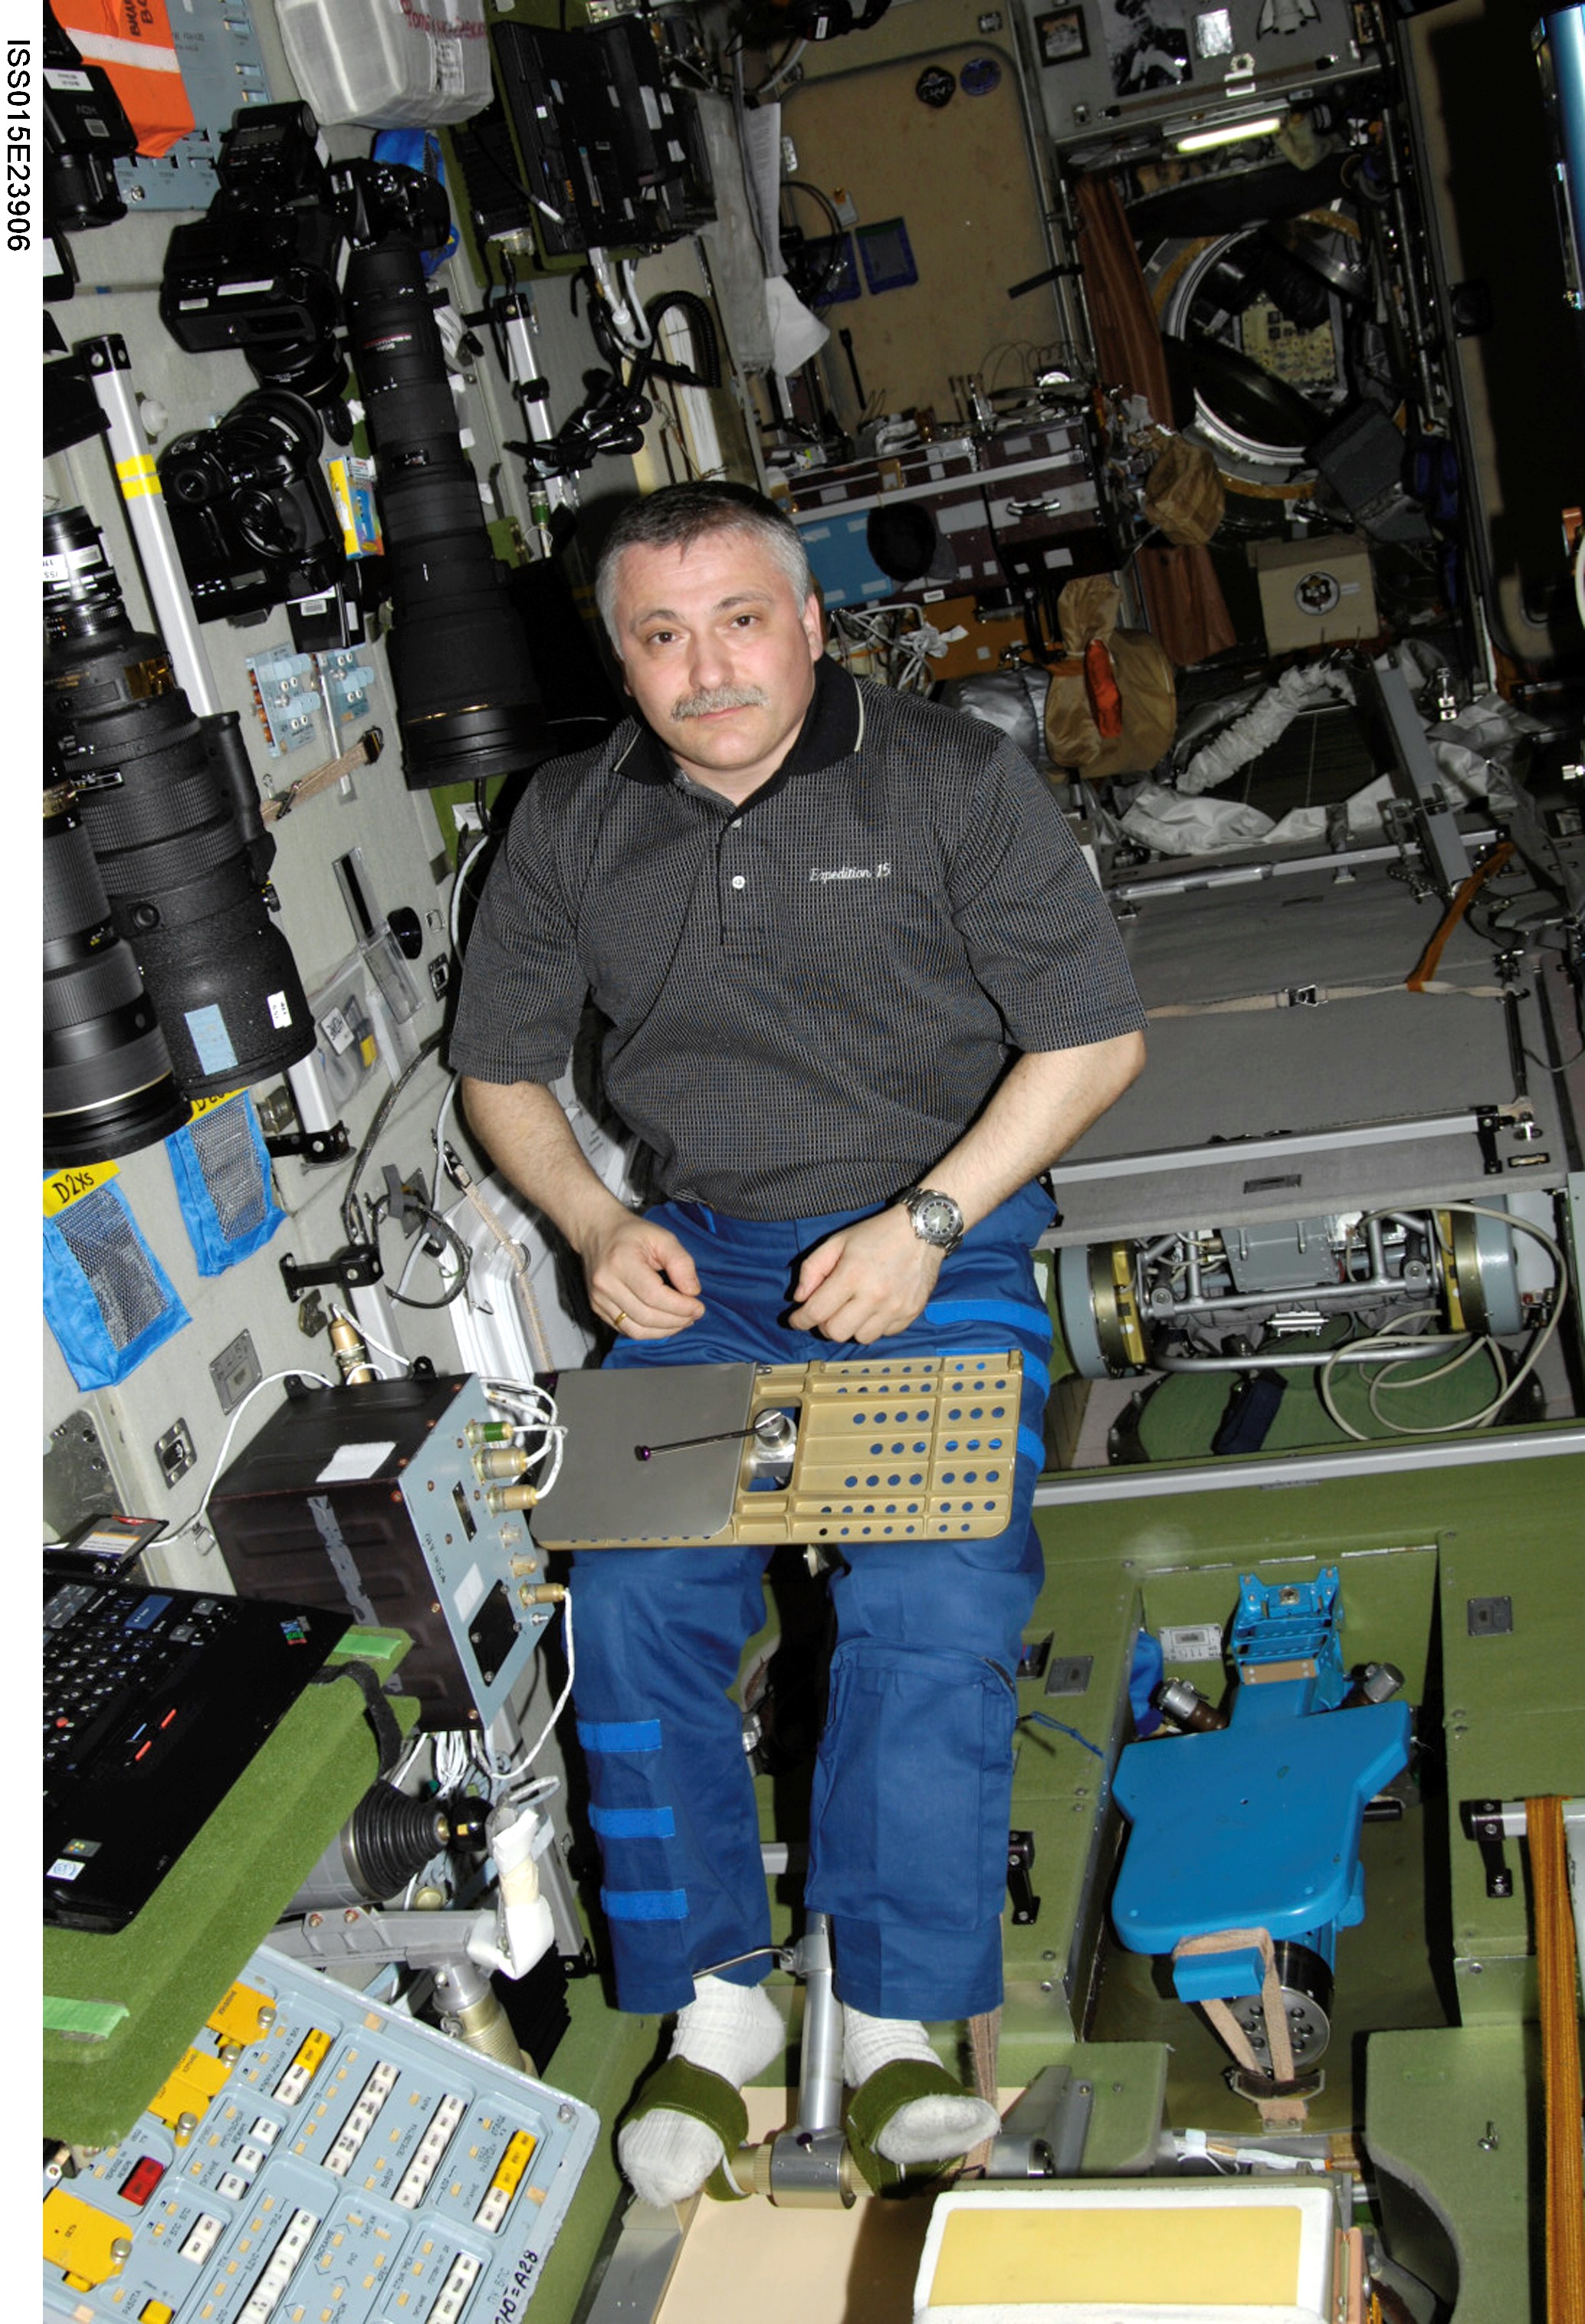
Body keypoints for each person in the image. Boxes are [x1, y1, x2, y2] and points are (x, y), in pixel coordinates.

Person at [448, 481, 1147, 2205]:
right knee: (624, 1596)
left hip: (944, 1238)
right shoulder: (565, 821)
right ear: (615, 654)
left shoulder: (950, 780)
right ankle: (714, 2004)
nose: (706, 668)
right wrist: (596, 1227)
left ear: (811, 621)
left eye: (738, 619)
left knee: (921, 1590)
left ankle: (899, 2010)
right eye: (660, 635)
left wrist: (921, 1224)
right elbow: (499, 1071)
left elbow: (1091, 1042)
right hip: (709, 1265)